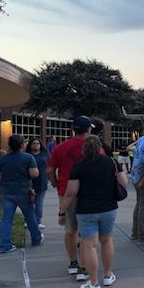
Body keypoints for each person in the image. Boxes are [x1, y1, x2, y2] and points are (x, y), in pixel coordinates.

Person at [58, 136, 127, 288]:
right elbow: (123, 182)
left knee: (89, 245)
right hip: (109, 208)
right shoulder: (110, 162)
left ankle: (94, 283)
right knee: (107, 240)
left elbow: (71, 192)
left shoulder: (78, 166)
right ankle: (108, 275)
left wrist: (62, 211)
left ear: (84, 149)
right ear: (100, 148)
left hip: (86, 210)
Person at [47, 116, 96, 278]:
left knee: (70, 230)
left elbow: (49, 170)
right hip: (88, 193)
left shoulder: (60, 147)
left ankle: (73, 262)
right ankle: (83, 267)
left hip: (66, 192)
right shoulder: (95, 148)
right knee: (86, 232)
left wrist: (56, 183)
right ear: (88, 129)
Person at [0, 134, 43, 253]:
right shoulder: (28, 158)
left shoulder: (3, 159)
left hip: (7, 192)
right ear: (22, 145)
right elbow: (34, 174)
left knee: (7, 219)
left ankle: (5, 245)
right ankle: (36, 238)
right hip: (23, 191)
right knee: (30, 216)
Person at [26, 138, 50, 230]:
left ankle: (38, 221)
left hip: (42, 182)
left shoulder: (45, 155)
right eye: (33, 143)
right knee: (29, 203)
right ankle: (28, 220)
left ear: (41, 145)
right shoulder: (27, 155)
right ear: (30, 145)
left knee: (39, 202)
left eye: (37, 143)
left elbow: (51, 167)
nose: (35, 145)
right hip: (28, 182)